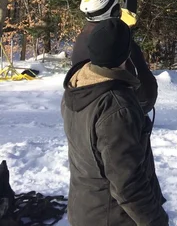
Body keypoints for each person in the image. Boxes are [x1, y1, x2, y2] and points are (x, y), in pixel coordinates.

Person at [62, 18, 169, 226]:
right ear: (126, 55)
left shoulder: (77, 86)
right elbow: (128, 183)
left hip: (84, 207)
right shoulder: (117, 108)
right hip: (112, 216)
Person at [73, 0, 158, 115]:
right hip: (119, 113)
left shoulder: (83, 38)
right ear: (113, 11)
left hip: (86, 114)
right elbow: (146, 90)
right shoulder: (119, 42)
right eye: (118, 7)